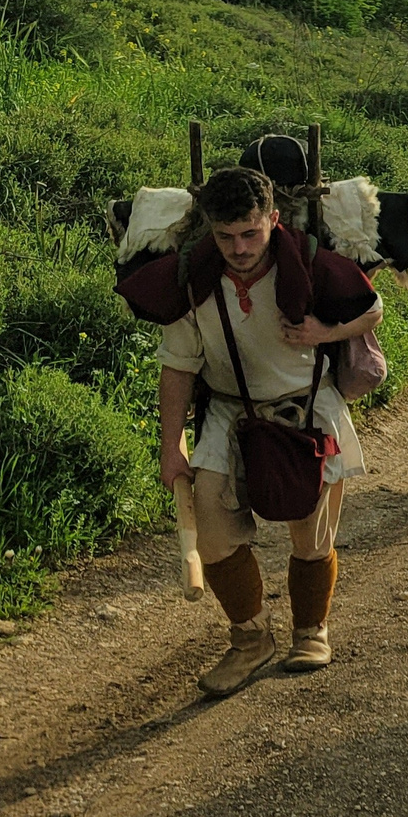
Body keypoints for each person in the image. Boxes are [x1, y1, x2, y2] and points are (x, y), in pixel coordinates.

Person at [144, 166, 384, 697]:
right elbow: (177, 367)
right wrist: (170, 448)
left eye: (251, 233)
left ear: (273, 220)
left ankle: (310, 631)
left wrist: (328, 331)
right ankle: (251, 640)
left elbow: (372, 309)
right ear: (210, 229)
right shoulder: (196, 278)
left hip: (305, 413)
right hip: (227, 415)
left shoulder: (307, 264)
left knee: (310, 530)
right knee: (210, 532)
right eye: (226, 236)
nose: (239, 247)